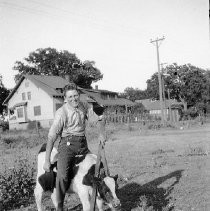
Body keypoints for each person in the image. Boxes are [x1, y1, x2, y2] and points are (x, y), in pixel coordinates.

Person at [43, 83, 103, 211]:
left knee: (98, 169)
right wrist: (47, 160)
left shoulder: (83, 106)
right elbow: (51, 137)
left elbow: (97, 119)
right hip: (67, 146)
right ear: (65, 98)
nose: (73, 99)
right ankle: (59, 206)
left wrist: (102, 134)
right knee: (62, 176)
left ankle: (101, 200)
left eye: (75, 96)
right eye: (70, 97)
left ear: (79, 95)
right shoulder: (61, 113)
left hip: (83, 144)